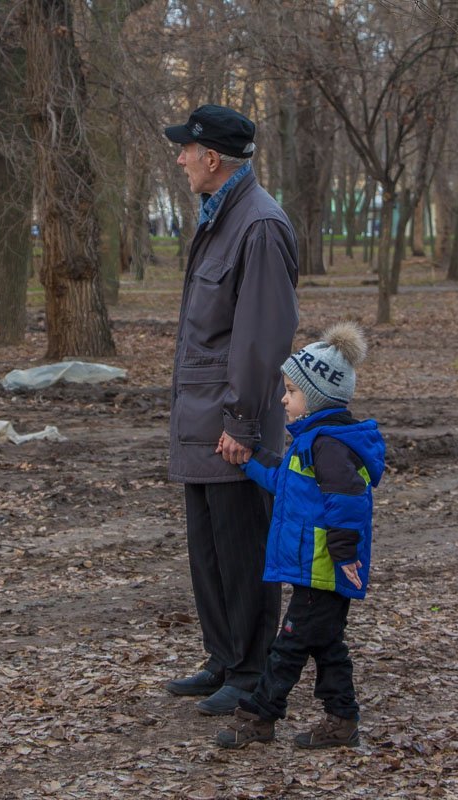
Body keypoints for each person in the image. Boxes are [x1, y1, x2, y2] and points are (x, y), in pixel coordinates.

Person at [162, 104, 300, 716]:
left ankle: (250, 671)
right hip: (202, 418)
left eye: (186, 150)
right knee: (210, 550)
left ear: (211, 157)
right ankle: (224, 658)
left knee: (243, 550)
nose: (180, 159)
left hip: (230, 423)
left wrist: (241, 422)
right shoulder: (220, 216)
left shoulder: (259, 224)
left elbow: (261, 337)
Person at [214, 322, 386, 749]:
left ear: (317, 397)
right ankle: (342, 720)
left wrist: (344, 553)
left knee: (288, 646)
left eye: (290, 391)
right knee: (328, 646)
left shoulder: (329, 446)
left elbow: (348, 503)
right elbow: (284, 484)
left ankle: (259, 716)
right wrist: (249, 461)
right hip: (317, 568)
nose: (282, 399)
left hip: (326, 568)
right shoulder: (312, 442)